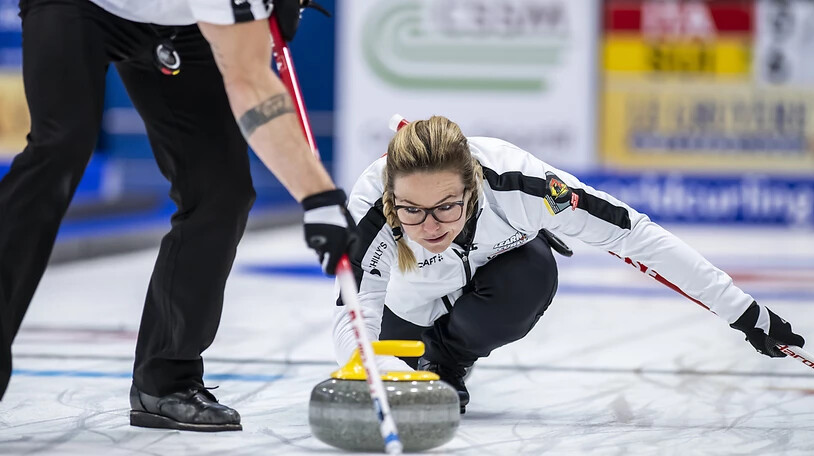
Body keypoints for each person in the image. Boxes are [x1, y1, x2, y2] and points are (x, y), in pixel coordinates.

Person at [0, 0, 353, 432]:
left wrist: (319, 198)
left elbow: (251, 81)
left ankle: (165, 381)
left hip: (182, 24)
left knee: (221, 190)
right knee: (60, 147)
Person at [331, 115, 806, 414]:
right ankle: (416, 354)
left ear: (474, 186)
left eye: (446, 206)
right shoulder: (373, 203)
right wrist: (373, 363)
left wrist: (742, 312)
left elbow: (633, 234)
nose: (429, 225)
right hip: (409, 300)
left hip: (505, 269)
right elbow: (355, 304)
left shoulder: (523, 184)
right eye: (412, 211)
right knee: (393, 354)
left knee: (533, 272)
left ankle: (446, 361)